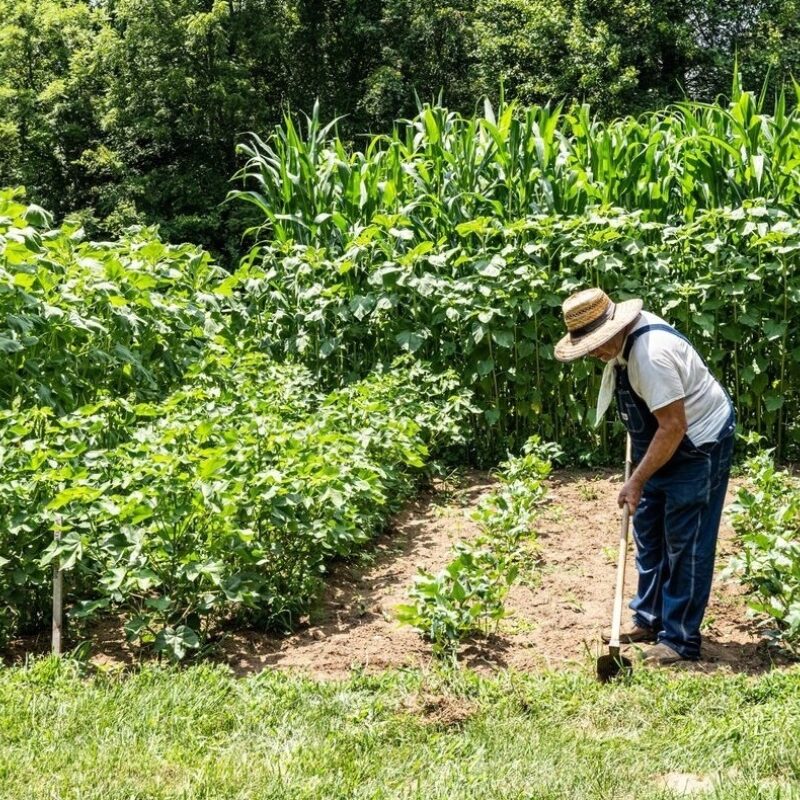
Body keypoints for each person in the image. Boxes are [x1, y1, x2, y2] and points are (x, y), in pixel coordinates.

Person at [554, 288, 736, 665]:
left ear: (613, 329)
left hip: (697, 444)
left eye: (596, 344)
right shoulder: (623, 349)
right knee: (649, 532)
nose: (593, 353)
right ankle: (649, 619)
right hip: (663, 442)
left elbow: (673, 426)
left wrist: (636, 480)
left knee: (685, 541)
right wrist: (642, 470)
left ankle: (680, 640)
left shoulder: (650, 356)